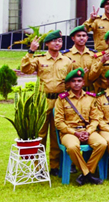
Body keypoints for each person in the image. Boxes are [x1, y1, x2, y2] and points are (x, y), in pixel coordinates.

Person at [21, 30, 74, 175]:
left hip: (60, 101)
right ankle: (39, 168)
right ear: (47, 43)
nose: (58, 43)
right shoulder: (40, 59)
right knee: (41, 135)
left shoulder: (67, 61)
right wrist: (31, 51)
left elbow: (70, 82)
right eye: (54, 41)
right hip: (43, 101)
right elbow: (25, 69)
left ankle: (55, 166)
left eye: (60, 41)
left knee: (57, 135)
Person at [54, 68, 106, 186]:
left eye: (79, 80)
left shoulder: (91, 98)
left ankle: (85, 173)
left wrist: (88, 131)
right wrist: (75, 133)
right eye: (73, 81)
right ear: (69, 84)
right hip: (69, 133)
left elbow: (95, 119)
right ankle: (88, 175)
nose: (76, 83)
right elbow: (59, 122)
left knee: (102, 143)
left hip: (87, 131)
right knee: (72, 147)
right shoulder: (62, 99)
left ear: (83, 82)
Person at [66, 25, 97, 92]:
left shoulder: (93, 54)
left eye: (83, 36)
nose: (81, 38)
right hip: (72, 92)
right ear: (73, 38)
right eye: (78, 36)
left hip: (89, 91)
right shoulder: (66, 55)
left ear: (87, 38)